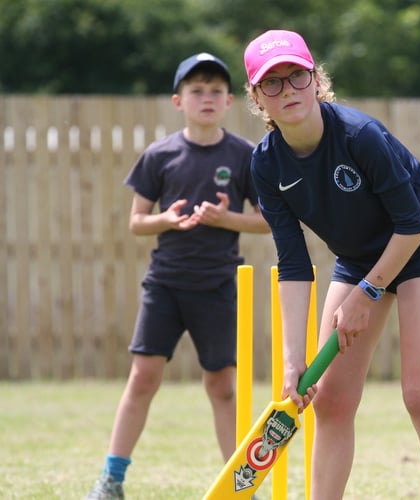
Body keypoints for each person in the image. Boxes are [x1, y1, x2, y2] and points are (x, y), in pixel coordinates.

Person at [243, 30, 420, 499]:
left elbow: (412, 224)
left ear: (316, 79)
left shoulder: (359, 136)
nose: (288, 91)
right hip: (359, 257)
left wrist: (367, 293)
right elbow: (294, 263)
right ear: (257, 97)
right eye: (272, 84)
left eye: (296, 77)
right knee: (333, 401)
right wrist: (291, 362)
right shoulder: (266, 164)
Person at [85, 52, 270, 500]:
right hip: (165, 284)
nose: (206, 98)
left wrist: (226, 220)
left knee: (222, 385)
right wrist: (167, 218)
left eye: (215, 91)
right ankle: (111, 479)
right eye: (196, 91)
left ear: (229, 101)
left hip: (220, 285)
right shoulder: (160, 154)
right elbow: (136, 222)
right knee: (143, 377)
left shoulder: (244, 155)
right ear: (177, 101)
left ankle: (239, 486)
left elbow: (266, 221)